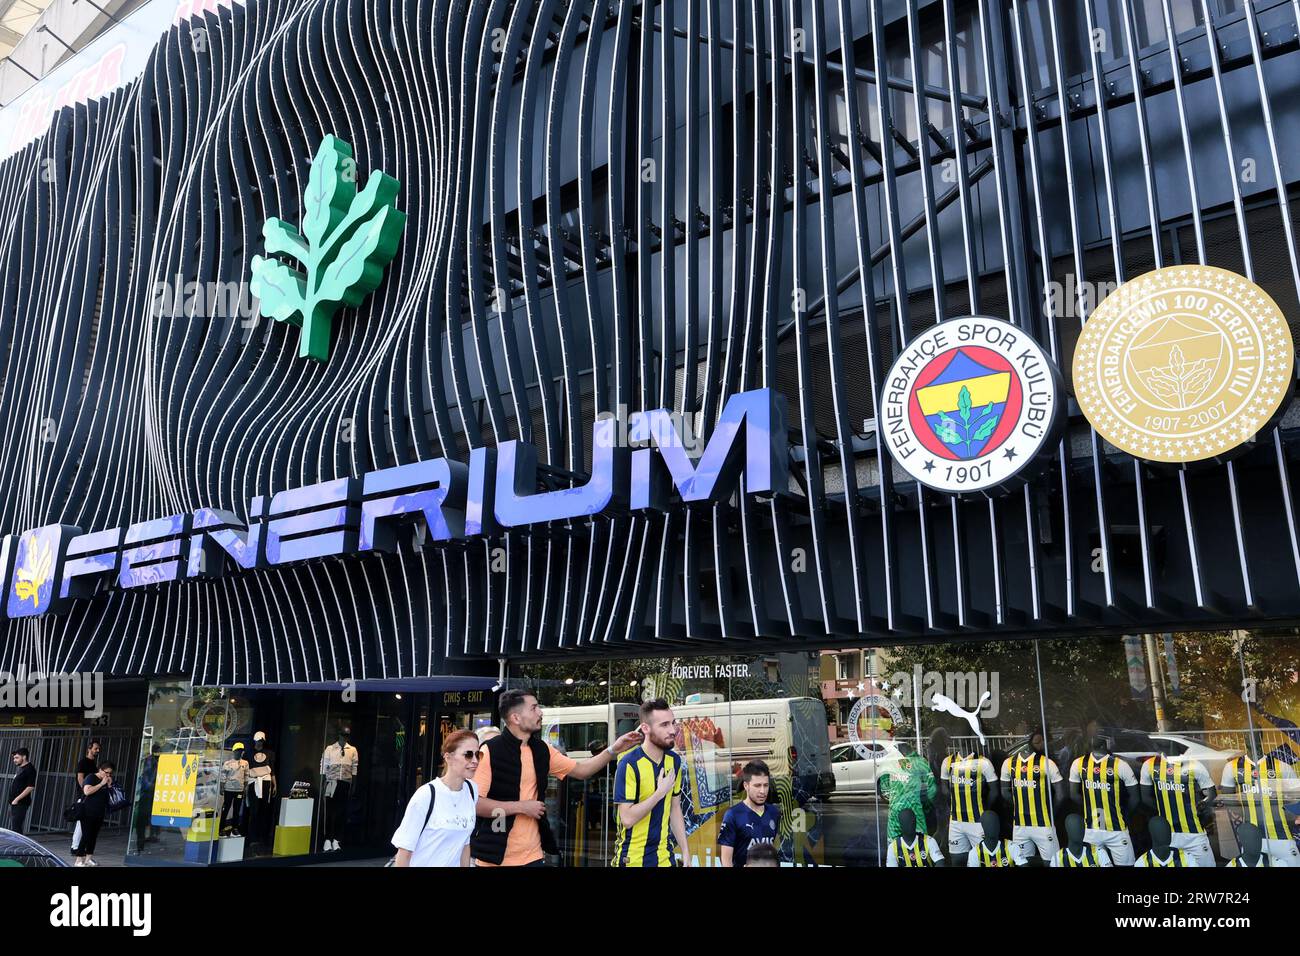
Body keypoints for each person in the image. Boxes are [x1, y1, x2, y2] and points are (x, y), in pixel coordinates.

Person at [472, 690, 641, 867]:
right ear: (516, 718)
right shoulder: (489, 751)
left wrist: (614, 749)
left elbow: (582, 770)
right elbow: (476, 804)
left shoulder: (542, 749)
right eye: (534, 708)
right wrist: (521, 807)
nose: (540, 712)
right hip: (494, 859)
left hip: (534, 857)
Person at [611, 698, 691, 867]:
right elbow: (627, 818)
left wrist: (685, 851)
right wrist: (659, 793)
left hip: (664, 857)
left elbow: (674, 808)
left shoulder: (674, 761)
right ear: (646, 728)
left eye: (673, 723)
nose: (672, 730)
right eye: (664, 725)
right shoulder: (629, 764)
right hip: (632, 859)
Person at [392, 730, 480, 867]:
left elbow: (464, 843)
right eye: (468, 755)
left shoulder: (472, 790)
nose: (475, 760)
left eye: (477, 754)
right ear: (448, 757)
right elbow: (404, 852)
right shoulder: (426, 795)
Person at [719, 759, 782, 867]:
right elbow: (726, 861)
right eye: (757, 786)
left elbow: (773, 849)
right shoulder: (733, 815)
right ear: (746, 786)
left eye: (766, 785)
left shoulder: (774, 812)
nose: (762, 791)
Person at [72, 760, 115, 867]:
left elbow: (110, 797)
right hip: (88, 812)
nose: (108, 775)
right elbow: (87, 791)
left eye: (110, 773)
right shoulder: (91, 777)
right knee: (86, 836)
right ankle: (78, 860)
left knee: (93, 836)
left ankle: (88, 859)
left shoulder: (106, 781)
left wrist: (109, 786)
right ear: (100, 770)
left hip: (99, 812)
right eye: (106, 772)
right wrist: (101, 784)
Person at [8, 748, 36, 835]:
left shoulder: (30, 769)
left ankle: (18, 847)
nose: (14, 760)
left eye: (16, 758)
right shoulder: (21, 768)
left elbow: (30, 787)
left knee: (16, 828)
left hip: (21, 803)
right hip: (14, 803)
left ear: (24, 757)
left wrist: (16, 799)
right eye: (14, 758)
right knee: (14, 827)